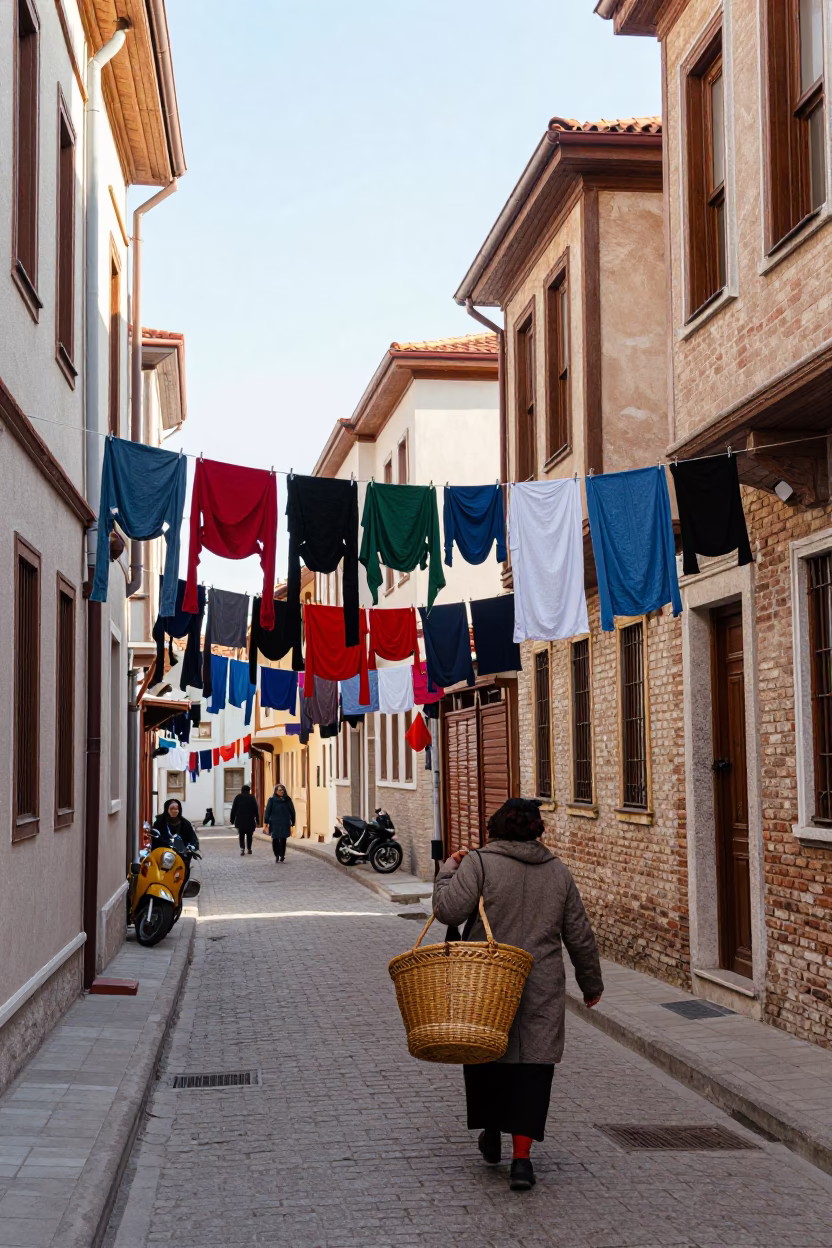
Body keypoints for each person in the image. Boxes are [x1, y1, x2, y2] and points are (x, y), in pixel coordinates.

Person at [433, 797, 603, 1193]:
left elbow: (447, 911)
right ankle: (522, 1161)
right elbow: (579, 933)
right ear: (536, 830)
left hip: (486, 982)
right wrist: (590, 983)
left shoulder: (478, 863)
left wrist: (446, 873)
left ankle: (491, 1133)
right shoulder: (558, 872)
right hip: (541, 983)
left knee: (486, 1053)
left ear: (495, 827)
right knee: (533, 1067)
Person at [264, 784, 295, 862]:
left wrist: (293, 821)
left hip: (285, 822)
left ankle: (282, 855)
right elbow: (267, 811)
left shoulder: (287, 800)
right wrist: (266, 821)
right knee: (275, 838)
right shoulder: (271, 800)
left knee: (283, 839)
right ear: (276, 791)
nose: (281, 792)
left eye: (282, 790)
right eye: (279, 790)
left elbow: (292, 811)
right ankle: (277, 854)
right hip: (274, 822)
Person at [230, 784, 261, 856]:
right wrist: (258, 820)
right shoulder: (252, 797)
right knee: (249, 835)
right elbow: (256, 809)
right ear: (249, 790)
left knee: (241, 835)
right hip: (250, 820)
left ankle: (242, 848)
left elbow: (234, 809)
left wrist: (232, 819)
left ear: (242, 790)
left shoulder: (238, 797)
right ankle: (249, 848)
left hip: (240, 820)